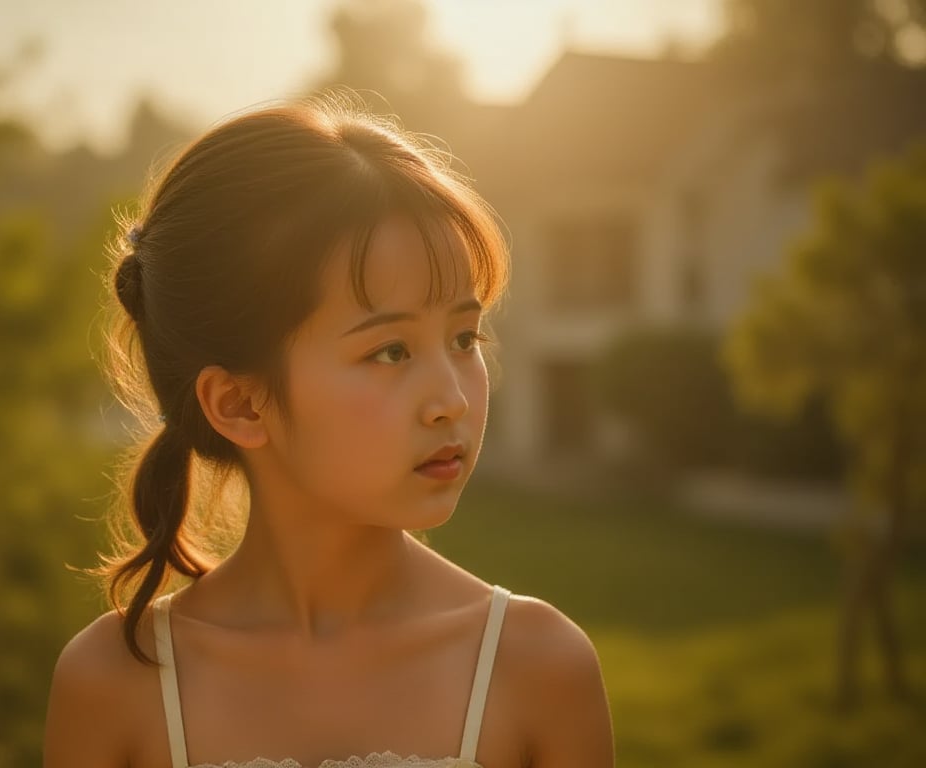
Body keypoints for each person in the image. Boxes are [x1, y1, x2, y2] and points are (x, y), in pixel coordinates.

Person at [43, 94, 614, 768]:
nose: (452, 399)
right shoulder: (113, 684)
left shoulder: (538, 669)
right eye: (391, 351)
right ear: (240, 405)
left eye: (464, 337)